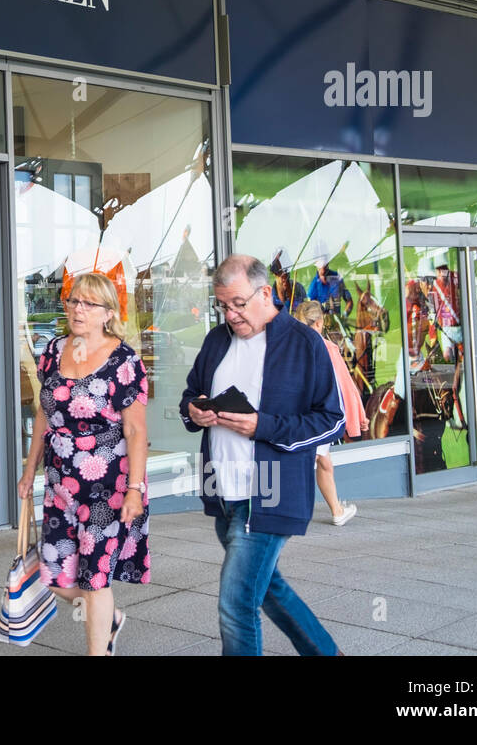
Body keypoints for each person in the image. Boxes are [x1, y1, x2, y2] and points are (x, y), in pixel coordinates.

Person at [180, 254, 344, 656]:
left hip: (270, 492)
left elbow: (332, 420)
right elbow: (189, 395)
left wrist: (262, 426)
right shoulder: (217, 340)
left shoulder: (305, 343)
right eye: (223, 305)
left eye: (238, 303)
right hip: (222, 491)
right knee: (268, 587)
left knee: (236, 604)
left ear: (265, 292)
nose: (231, 314)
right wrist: (194, 411)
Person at [18, 271, 150, 656]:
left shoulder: (124, 361)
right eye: (73, 300)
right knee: (54, 574)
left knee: (95, 579)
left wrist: (135, 490)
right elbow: (44, 414)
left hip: (107, 483)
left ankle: (98, 648)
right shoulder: (53, 351)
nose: (77, 309)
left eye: (88, 303)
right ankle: (107, 617)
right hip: (60, 481)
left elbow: (137, 431)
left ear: (108, 313)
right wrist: (30, 470)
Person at [293, 300, 360, 526]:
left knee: (323, 462)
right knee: (312, 460)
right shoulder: (325, 348)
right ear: (320, 323)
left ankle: (337, 510)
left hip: (300, 414)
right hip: (318, 416)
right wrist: (357, 416)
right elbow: (345, 386)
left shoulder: (290, 347)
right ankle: (287, 512)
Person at [307, 254, 353, 318]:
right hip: (322, 324)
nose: (323, 269)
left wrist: (344, 316)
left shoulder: (337, 278)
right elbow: (310, 312)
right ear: (316, 264)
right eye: (320, 265)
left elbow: (349, 301)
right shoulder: (313, 286)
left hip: (337, 323)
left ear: (328, 263)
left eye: (324, 264)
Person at [269, 249, 306, 315]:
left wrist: (290, 293)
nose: (283, 274)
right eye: (279, 271)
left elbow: (303, 314)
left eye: (286, 270)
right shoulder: (269, 299)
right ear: (274, 273)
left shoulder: (299, 289)